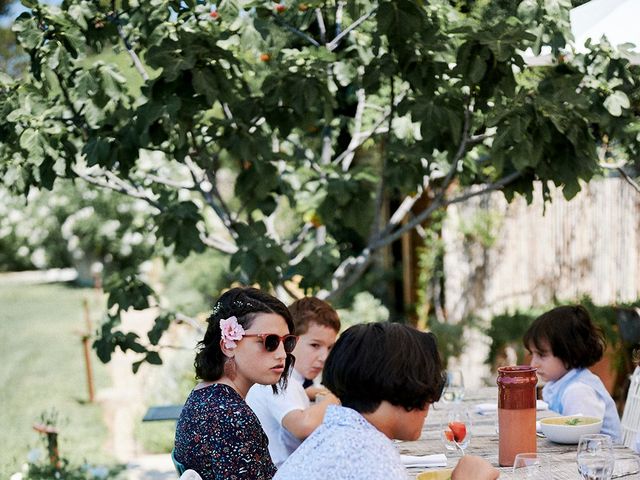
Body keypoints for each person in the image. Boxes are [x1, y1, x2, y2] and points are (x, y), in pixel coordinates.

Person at [274, 322, 500, 480]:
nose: (431, 404)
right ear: (404, 387)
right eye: (430, 392)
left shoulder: (336, 434)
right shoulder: (370, 455)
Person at [173, 287, 297, 480]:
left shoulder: (204, 395)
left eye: (287, 342)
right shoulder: (231, 416)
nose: (282, 354)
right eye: (270, 342)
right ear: (228, 345)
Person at [247, 297, 341, 467]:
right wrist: (338, 393)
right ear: (290, 340)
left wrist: (311, 392)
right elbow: (303, 427)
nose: (324, 357)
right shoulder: (280, 379)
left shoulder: (291, 381)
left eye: (329, 348)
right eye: (315, 345)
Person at [523, 305, 622, 441]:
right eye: (532, 354)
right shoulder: (560, 383)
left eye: (541, 355)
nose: (533, 364)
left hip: (600, 459)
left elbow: (580, 439)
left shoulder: (579, 391)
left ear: (570, 352)